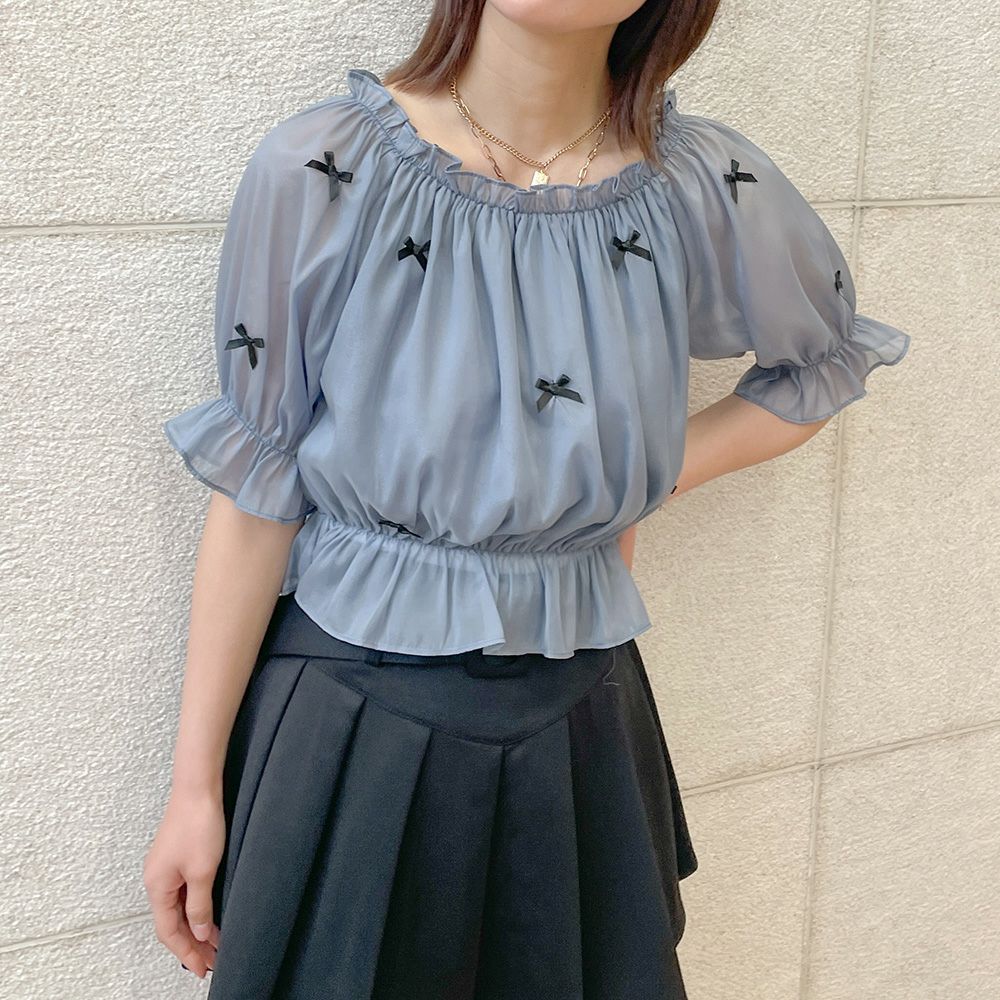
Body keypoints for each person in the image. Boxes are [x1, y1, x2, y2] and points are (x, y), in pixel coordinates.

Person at [143, 1, 911, 997]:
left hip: (582, 712)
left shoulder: (691, 183)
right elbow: (258, 486)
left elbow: (821, 364)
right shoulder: (328, 167)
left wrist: (627, 475)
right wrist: (194, 787)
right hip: (350, 707)